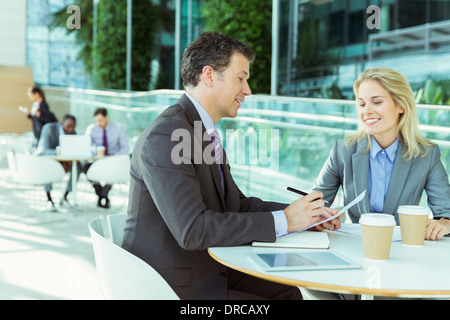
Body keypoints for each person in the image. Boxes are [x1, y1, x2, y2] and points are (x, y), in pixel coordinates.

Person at [121, 32, 342, 300]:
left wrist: (301, 216)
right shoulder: (167, 135)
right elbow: (193, 229)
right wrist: (284, 221)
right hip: (169, 286)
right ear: (210, 75)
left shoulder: (201, 130)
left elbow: (235, 203)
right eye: (241, 78)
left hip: (203, 267)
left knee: (288, 291)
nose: (247, 90)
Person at [312, 68, 450, 240]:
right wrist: (319, 216)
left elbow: (446, 213)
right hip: (355, 245)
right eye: (361, 104)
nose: (366, 111)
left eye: (376, 102)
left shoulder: (426, 155)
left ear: (401, 105)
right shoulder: (343, 151)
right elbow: (313, 205)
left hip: (402, 249)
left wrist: (444, 223)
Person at [33, 114, 81, 211]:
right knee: (46, 166)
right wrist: (61, 155)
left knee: (78, 166)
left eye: (73, 127)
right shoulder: (49, 129)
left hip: (64, 163)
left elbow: (74, 151)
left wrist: (66, 161)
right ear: (62, 123)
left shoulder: (73, 133)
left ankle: (65, 196)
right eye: (69, 126)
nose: (71, 129)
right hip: (48, 162)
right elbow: (42, 151)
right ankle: (49, 199)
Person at [84, 107, 129, 208]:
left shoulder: (118, 128)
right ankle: (102, 195)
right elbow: (85, 146)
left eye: (100, 120)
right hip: (97, 161)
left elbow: (125, 148)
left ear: (107, 118)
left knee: (113, 171)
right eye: (96, 121)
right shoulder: (91, 129)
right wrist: (95, 152)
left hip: (113, 161)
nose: (98, 123)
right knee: (86, 167)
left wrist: (114, 155)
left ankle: (102, 195)